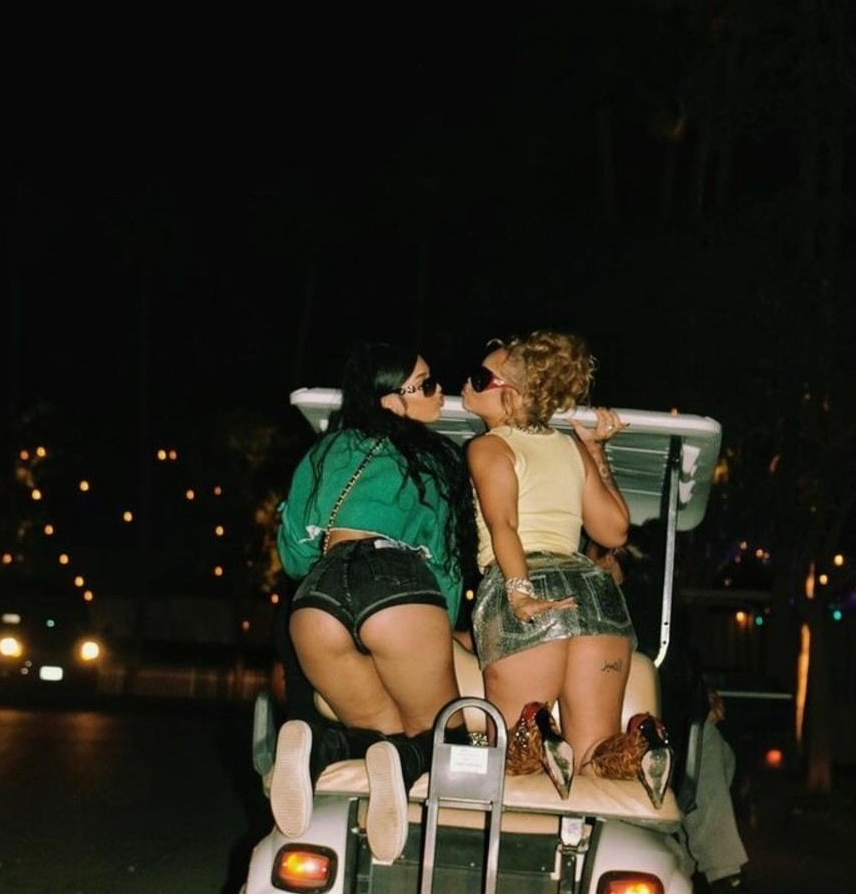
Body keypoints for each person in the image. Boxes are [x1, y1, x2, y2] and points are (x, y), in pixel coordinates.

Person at [272, 341, 477, 863]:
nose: (440, 392)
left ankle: (320, 748)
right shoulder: (434, 458)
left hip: (316, 599)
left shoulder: (324, 452)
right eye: (426, 385)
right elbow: (448, 562)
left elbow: (292, 550)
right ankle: (402, 766)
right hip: (395, 581)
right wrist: (443, 622)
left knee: (376, 735)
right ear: (391, 401)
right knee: (448, 740)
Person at [591, 533, 802, 894]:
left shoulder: (640, 605)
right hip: (598, 737)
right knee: (702, 745)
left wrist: (699, 695)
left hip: (640, 726)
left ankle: (708, 885)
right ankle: (723, 886)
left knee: (712, 747)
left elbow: (669, 664)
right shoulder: (585, 601)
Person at [461, 330, 640, 790]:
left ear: (514, 395)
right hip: (595, 596)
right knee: (593, 758)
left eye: (480, 377)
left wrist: (520, 595)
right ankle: (634, 744)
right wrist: (597, 451)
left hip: (528, 584)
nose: (466, 382)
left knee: (511, 763)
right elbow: (615, 530)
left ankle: (534, 731)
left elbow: (504, 525)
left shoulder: (489, 446)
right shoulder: (570, 447)